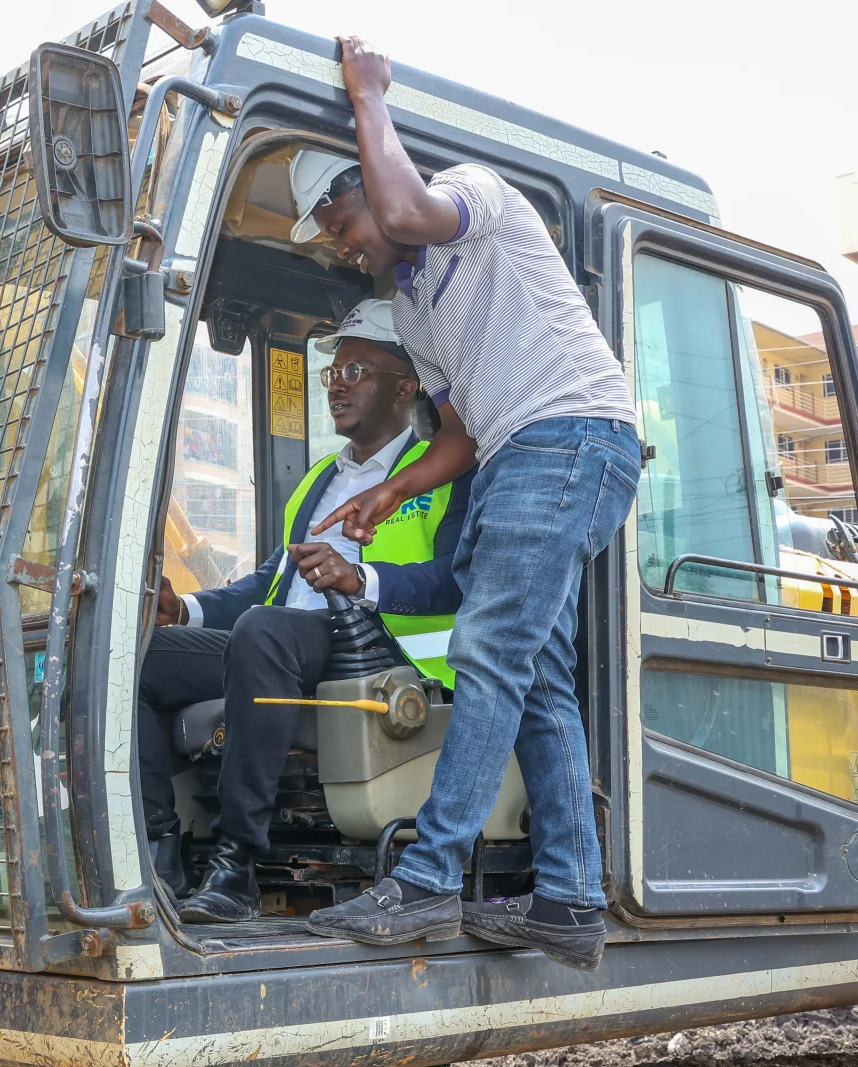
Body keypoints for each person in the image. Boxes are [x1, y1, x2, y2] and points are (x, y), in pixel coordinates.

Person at [296, 40, 641, 971]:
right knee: (536, 676)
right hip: (514, 454)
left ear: (381, 175)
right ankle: (569, 899)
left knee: (488, 652)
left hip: (569, 436)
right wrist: (392, 491)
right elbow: (456, 431)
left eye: (341, 218)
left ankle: (427, 880)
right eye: (330, 235)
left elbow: (405, 207)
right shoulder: (413, 311)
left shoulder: (475, 199)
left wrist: (369, 94)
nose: (344, 242)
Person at [139, 298, 473, 923]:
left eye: (357, 372)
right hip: (285, 647)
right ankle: (160, 850)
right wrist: (181, 609)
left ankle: (236, 865)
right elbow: (273, 583)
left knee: (266, 632)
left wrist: (362, 578)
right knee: (137, 658)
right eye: (332, 375)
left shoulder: (442, 475)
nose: (337, 387)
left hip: (380, 652)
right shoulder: (319, 477)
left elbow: (456, 582)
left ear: (406, 386)